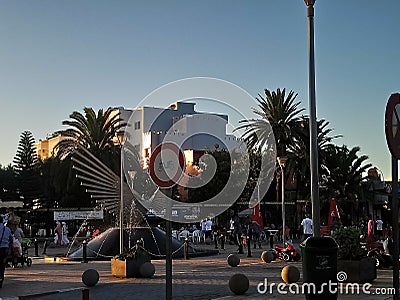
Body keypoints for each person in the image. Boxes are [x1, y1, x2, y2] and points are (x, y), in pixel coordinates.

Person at [0, 215, 12, 288]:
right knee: (2, 265)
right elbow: (11, 239)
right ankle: (1, 278)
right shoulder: (7, 229)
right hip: (5, 249)